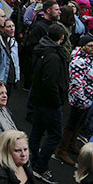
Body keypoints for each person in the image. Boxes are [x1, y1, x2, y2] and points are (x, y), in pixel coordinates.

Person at [29, 23, 68, 184]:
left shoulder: (42, 49)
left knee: (37, 132)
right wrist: (57, 101)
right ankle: (40, 167)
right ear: (63, 38)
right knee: (55, 135)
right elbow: (50, 83)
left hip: (38, 100)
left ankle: (32, 160)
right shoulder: (53, 56)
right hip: (49, 103)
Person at [55, 34, 93, 166]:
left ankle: (71, 144)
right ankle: (62, 150)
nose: (92, 48)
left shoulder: (89, 59)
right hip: (79, 99)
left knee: (79, 123)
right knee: (72, 123)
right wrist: (82, 100)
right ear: (83, 47)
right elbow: (77, 83)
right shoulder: (78, 61)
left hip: (88, 98)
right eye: (90, 46)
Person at [0, 18, 20, 93]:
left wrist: (17, 77)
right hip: (1, 78)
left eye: (13, 26)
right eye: (8, 26)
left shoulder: (14, 42)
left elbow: (16, 61)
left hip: (11, 77)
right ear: (2, 29)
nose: (12, 28)